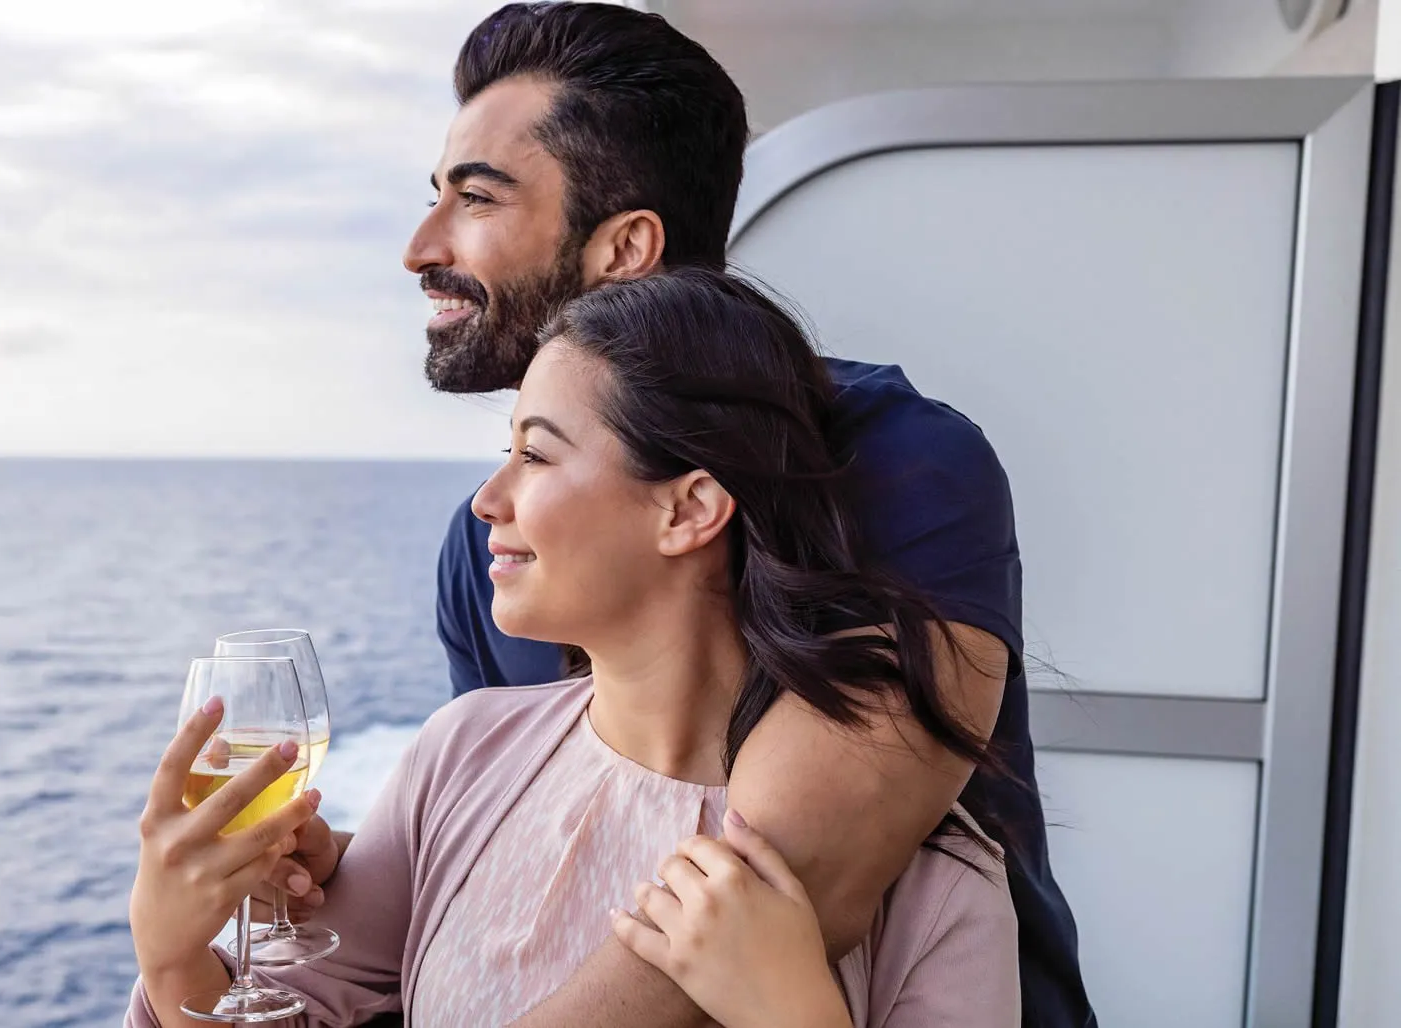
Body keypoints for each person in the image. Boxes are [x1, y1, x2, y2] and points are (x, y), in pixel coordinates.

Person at [262, 4, 1095, 1025]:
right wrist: (361, 878)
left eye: (475, 198)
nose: (420, 247)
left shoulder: (903, 462)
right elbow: (535, 838)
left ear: (625, 246)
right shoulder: (480, 551)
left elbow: (787, 880)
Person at [127, 269, 1019, 1027]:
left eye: (537, 456)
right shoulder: (461, 757)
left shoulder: (938, 889)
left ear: (688, 509)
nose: (487, 499)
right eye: (503, 452)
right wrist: (172, 960)